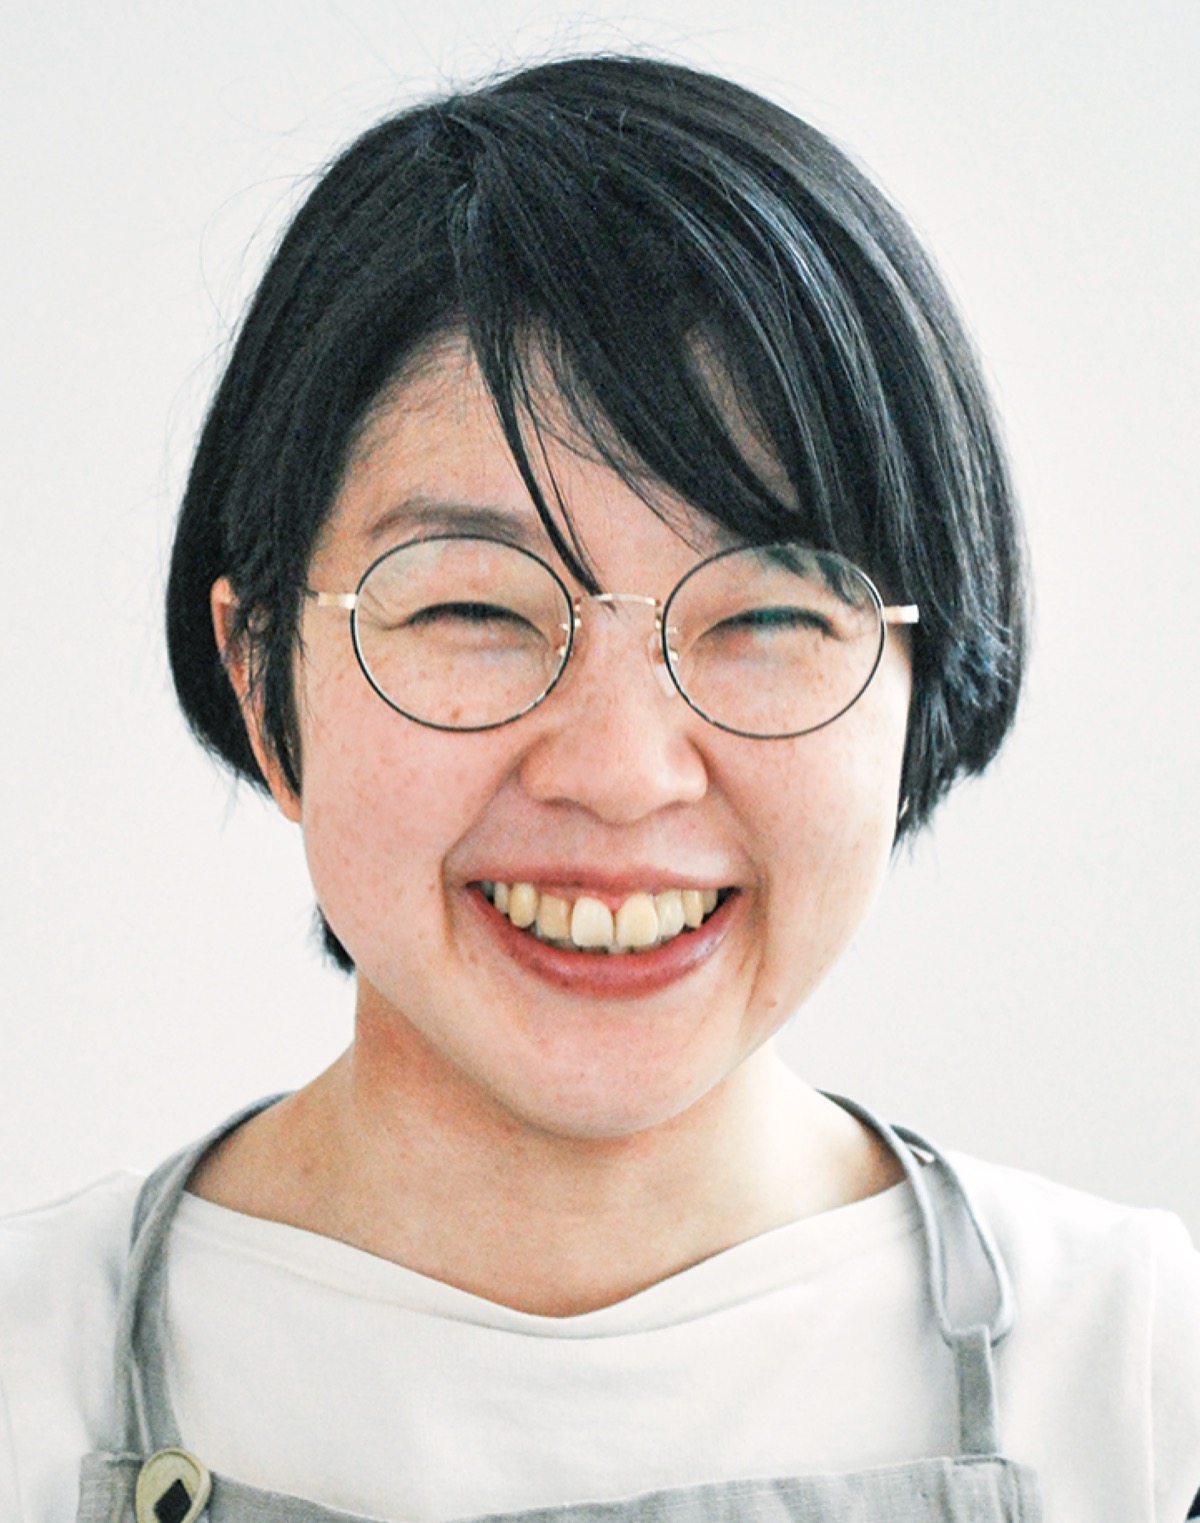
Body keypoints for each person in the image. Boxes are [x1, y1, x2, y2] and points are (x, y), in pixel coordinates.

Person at [2, 53, 1198, 1523]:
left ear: (917, 681)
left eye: (768, 614)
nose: (623, 774)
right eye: (473, 608)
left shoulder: (1144, 1380)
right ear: (261, 677)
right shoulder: (24, 1369)